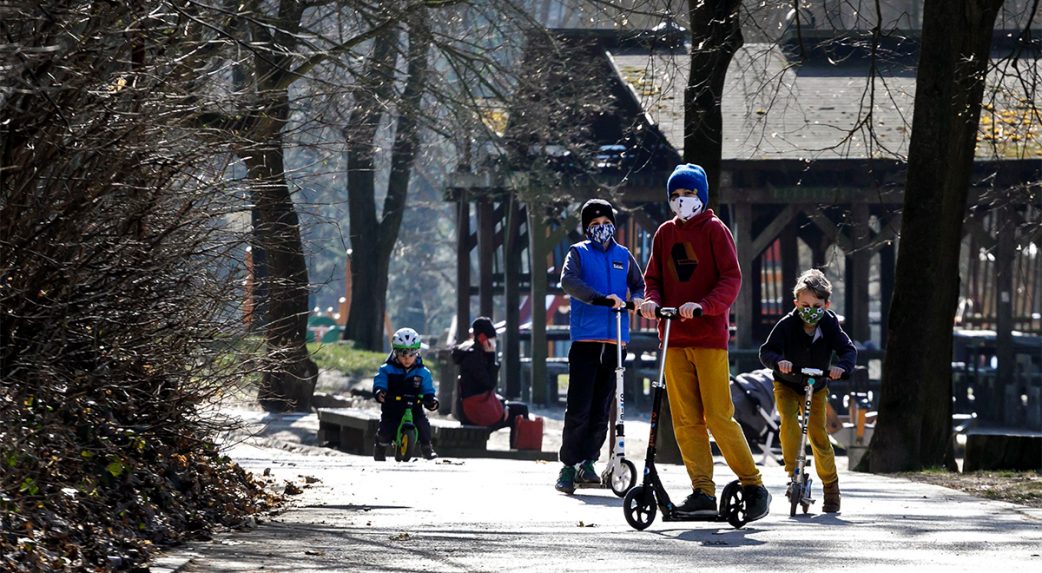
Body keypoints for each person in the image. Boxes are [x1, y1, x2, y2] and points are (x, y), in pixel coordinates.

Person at [638, 163, 771, 521]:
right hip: (673, 338)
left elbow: (731, 278)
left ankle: (753, 484)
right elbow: (653, 277)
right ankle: (702, 490)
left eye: (688, 194)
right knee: (685, 420)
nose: (682, 201)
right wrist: (651, 301)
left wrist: (705, 306)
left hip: (708, 336)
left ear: (701, 196)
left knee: (718, 416)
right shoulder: (665, 234)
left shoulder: (715, 230)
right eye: (676, 196)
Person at [555, 198, 645, 494]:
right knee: (579, 406)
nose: (600, 228)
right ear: (586, 228)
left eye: (605, 223)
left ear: (613, 225)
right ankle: (568, 465)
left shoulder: (623, 255)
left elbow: (639, 284)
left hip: (616, 340)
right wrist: (599, 298)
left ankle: (589, 462)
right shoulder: (578, 253)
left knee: (603, 406)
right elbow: (568, 282)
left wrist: (639, 300)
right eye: (594, 224)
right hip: (586, 339)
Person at [759, 269, 856, 513]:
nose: (810, 309)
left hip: (817, 385)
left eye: (816, 304)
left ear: (826, 304)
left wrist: (841, 367)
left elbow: (848, 350)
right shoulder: (787, 325)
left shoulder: (830, 324)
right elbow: (766, 351)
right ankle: (795, 472)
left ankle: (831, 487)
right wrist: (779, 361)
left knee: (818, 435)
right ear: (796, 303)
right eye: (804, 304)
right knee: (789, 425)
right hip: (788, 383)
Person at [452, 317, 530, 444]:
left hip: (470, 409)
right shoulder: (475, 357)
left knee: (512, 407)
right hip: (476, 413)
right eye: (491, 340)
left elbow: (484, 389)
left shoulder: (470, 352)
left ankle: (517, 448)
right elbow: (489, 384)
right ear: (482, 338)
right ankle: (520, 450)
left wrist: (502, 404)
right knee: (520, 410)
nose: (493, 343)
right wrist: (491, 355)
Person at [373, 327, 439, 461]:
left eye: (411, 354)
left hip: (414, 406)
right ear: (395, 353)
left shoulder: (423, 372)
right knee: (386, 429)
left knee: (423, 425)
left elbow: (428, 389)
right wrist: (380, 392)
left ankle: (427, 448)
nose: (407, 359)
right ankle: (380, 447)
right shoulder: (387, 369)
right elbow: (380, 381)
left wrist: (430, 400)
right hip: (393, 406)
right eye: (403, 355)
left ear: (417, 353)